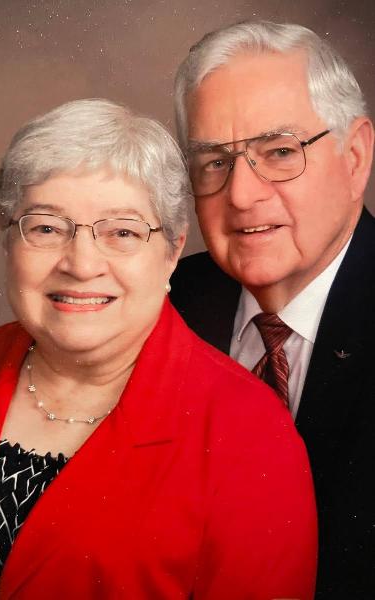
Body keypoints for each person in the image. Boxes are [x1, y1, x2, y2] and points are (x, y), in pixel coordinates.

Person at [0, 99, 316, 599]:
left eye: (122, 232)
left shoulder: (250, 433)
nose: (82, 264)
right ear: (8, 239)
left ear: (172, 250)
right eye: (46, 228)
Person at [170, 20, 375, 599]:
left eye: (280, 152)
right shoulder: (159, 304)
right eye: (215, 162)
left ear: (355, 157)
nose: (241, 195)